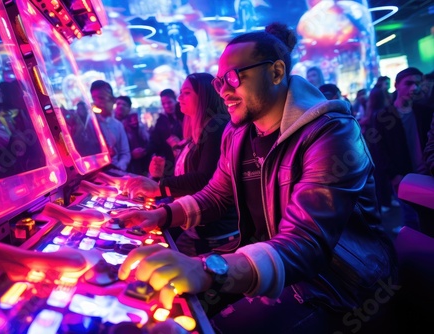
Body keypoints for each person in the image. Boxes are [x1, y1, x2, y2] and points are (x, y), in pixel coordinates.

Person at [116, 23, 397, 333]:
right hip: (269, 265)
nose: (222, 90)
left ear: (276, 73)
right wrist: (159, 215)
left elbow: (307, 240)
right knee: (170, 309)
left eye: (233, 77)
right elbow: (216, 195)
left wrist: (208, 269)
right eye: (219, 81)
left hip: (338, 286)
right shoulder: (238, 134)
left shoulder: (332, 132)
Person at [123, 73, 238, 256]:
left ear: (204, 96)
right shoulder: (198, 132)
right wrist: (160, 175)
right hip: (198, 227)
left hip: (217, 235)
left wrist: (160, 187)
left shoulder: (216, 126)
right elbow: (190, 178)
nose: (179, 98)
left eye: (186, 93)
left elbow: (204, 179)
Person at [374, 67, 434, 231]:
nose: (414, 88)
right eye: (408, 83)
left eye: (417, 83)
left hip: (427, 173)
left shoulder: (424, 111)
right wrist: (393, 175)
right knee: (412, 220)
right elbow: (380, 149)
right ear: (396, 85)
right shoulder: (384, 116)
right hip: (403, 176)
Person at [90, 80, 131, 171]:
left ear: (112, 100)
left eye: (101, 98)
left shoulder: (118, 125)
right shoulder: (89, 123)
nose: (97, 102)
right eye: (94, 98)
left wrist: (119, 167)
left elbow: (125, 153)